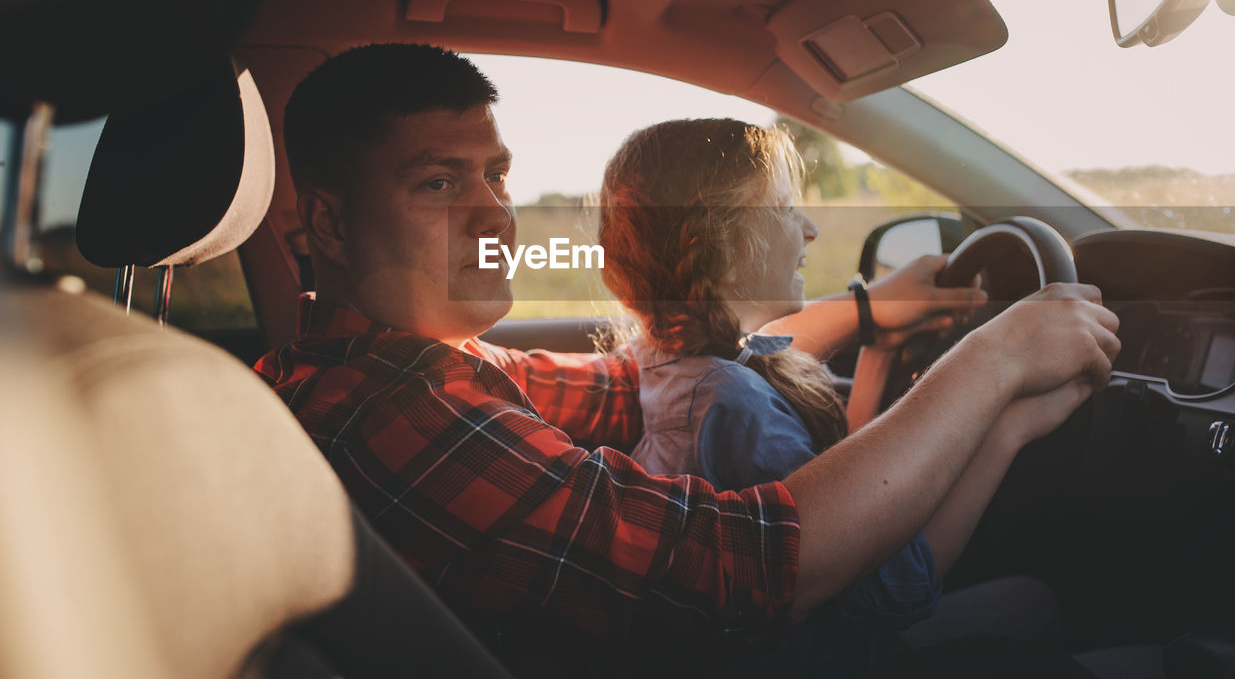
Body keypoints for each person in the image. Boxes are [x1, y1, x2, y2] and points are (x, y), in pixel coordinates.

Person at [254, 43, 1121, 678]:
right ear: (329, 224)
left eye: (497, 177)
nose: (494, 214)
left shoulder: (428, 369)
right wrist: (992, 363)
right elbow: (748, 566)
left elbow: (643, 375)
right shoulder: (399, 409)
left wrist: (862, 312)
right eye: (439, 183)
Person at [598, 118, 1094, 676]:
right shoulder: (734, 402)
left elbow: (836, 495)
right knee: (1036, 603)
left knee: (1028, 601)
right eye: (785, 210)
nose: (808, 229)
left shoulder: (671, 362)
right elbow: (895, 589)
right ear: (721, 242)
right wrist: (1008, 429)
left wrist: (877, 348)